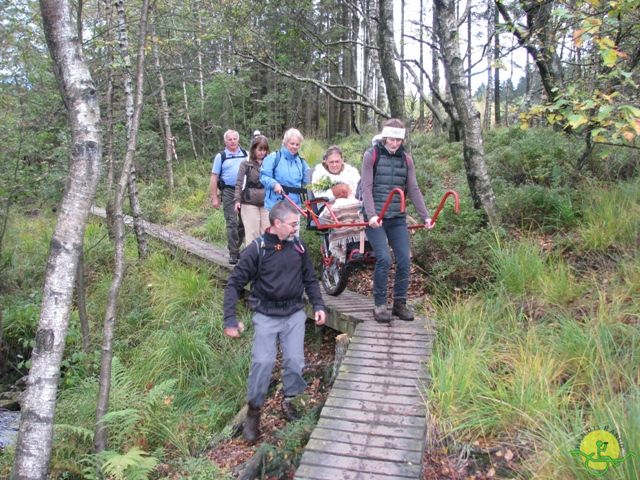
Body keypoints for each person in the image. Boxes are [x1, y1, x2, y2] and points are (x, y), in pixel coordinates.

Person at [223, 200, 326, 443]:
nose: (296, 229)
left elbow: (310, 279)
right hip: (266, 315)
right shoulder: (256, 249)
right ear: (277, 223)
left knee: (294, 361)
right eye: (292, 224)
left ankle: (292, 402)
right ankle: (254, 412)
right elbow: (233, 284)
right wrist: (230, 319)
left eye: (297, 225)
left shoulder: (298, 247)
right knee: (262, 362)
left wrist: (319, 305)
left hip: (294, 314)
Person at [360, 119, 434, 323]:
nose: (395, 144)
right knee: (384, 258)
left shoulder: (406, 160)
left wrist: (425, 216)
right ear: (385, 137)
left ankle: (399, 303)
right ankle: (380, 304)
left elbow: (413, 189)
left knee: (404, 259)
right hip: (376, 217)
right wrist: (372, 214)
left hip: (397, 217)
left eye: (399, 140)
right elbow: (366, 187)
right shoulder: (371, 155)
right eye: (392, 139)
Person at [311, 145, 363, 263]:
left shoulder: (351, 171)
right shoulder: (319, 173)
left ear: (342, 160)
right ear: (326, 162)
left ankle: (363, 246)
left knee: (362, 211)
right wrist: (335, 193)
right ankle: (343, 248)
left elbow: (360, 190)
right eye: (331, 162)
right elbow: (318, 194)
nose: (334, 165)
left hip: (351, 201)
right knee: (341, 213)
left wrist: (348, 191)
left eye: (337, 161)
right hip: (329, 206)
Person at [210, 129, 248, 264]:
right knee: (231, 222)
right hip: (228, 192)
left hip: (244, 192)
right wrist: (214, 197)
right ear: (225, 141)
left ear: (238, 140)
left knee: (244, 222)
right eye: (229, 139)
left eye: (234, 139)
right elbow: (214, 177)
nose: (232, 141)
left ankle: (235, 247)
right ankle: (233, 253)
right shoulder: (221, 156)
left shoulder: (245, 154)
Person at [260, 128, 310, 211]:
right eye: (292, 143)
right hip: (276, 206)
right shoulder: (274, 157)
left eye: (297, 144)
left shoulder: (301, 162)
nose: (294, 146)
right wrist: (274, 184)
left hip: (295, 206)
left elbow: (309, 179)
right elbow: (263, 176)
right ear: (285, 143)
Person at [234, 135, 271, 244]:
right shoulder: (245, 164)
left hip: (266, 202)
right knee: (252, 233)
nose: (262, 152)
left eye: (264, 149)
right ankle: (252, 259)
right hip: (249, 202)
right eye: (260, 149)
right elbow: (239, 183)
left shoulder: (269, 163)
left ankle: (266, 259)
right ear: (254, 149)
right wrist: (237, 200)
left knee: (267, 232)